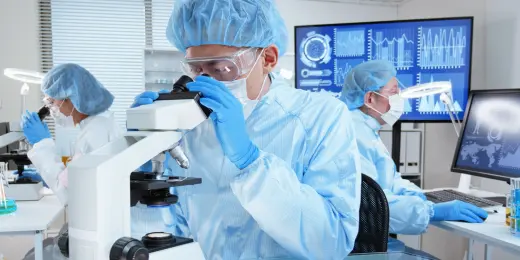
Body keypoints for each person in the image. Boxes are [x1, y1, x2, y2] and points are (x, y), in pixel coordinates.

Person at [131, 0, 363, 259]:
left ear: (268, 59)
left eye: (221, 68)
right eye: (197, 69)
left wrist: (250, 160)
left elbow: (332, 242)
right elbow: (162, 236)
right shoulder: (188, 128)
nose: (207, 82)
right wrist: (144, 164)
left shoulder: (321, 117)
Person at [20, 63, 171, 259]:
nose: (53, 110)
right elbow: (79, 174)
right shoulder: (95, 126)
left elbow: (72, 193)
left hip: (105, 229)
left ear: (72, 100)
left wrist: (42, 145)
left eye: (53, 103)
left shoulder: (95, 132)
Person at [339, 60, 488, 251]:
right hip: (355, 247)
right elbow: (370, 204)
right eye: (393, 93)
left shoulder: (365, 129)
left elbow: (388, 181)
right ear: (369, 98)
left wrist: (418, 195)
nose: (400, 99)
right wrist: (431, 210)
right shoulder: (354, 134)